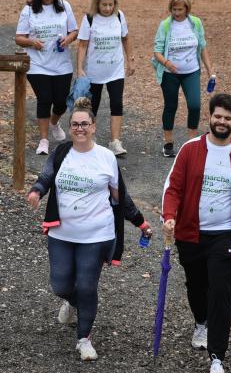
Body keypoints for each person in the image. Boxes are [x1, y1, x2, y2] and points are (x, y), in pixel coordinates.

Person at [27, 97, 152, 361]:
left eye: (85, 124)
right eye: (75, 124)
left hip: (97, 235)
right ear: (70, 127)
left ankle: (84, 339)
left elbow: (121, 197)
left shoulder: (106, 158)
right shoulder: (61, 152)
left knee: (86, 286)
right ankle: (71, 302)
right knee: (60, 284)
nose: (79, 128)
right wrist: (37, 191)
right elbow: (47, 177)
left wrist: (140, 222)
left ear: (94, 127)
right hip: (62, 233)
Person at [161, 93, 231, 373]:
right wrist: (169, 217)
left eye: (228, 118)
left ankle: (217, 356)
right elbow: (173, 187)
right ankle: (200, 323)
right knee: (197, 286)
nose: (222, 121)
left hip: (226, 235)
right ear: (210, 117)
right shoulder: (190, 150)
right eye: (218, 116)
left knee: (221, 291)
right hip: (191, 234)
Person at [16, 0, 78, 155]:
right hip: (37, 64)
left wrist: (68, 39)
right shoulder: (29, 10)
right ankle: (43, 140)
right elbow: (19, 38)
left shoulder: (64, 7)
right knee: (44, 98)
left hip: (61, 64)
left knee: (60, 101)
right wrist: (32, 43)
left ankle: (53, 122)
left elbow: (74, 30)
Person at [153, 0, 215, 157]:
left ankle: (192, 143)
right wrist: (166, 63)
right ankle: (168, 142)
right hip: (169, 74)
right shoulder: (165, 25)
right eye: (174, 9)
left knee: (194, 105)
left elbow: (202, 47)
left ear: (187, 9)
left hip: (191, 71)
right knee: (171, 106)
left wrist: (210, 70)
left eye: (180, 9)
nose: (177, 13)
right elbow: (156, 52)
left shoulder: (195, 23)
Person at [76, 0, 134, 157]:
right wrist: (79, 68)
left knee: (117, 103)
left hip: (115, 70)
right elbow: (82, 45)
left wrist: (130, 60)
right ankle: (87, 139)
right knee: (92, 106)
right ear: (97, 4)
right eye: (104, 5)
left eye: (110, 4)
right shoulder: (89, 18)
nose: (108, 8)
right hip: (94, 73)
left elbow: (125, 38)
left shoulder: (119, 16)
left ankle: (115, 142)